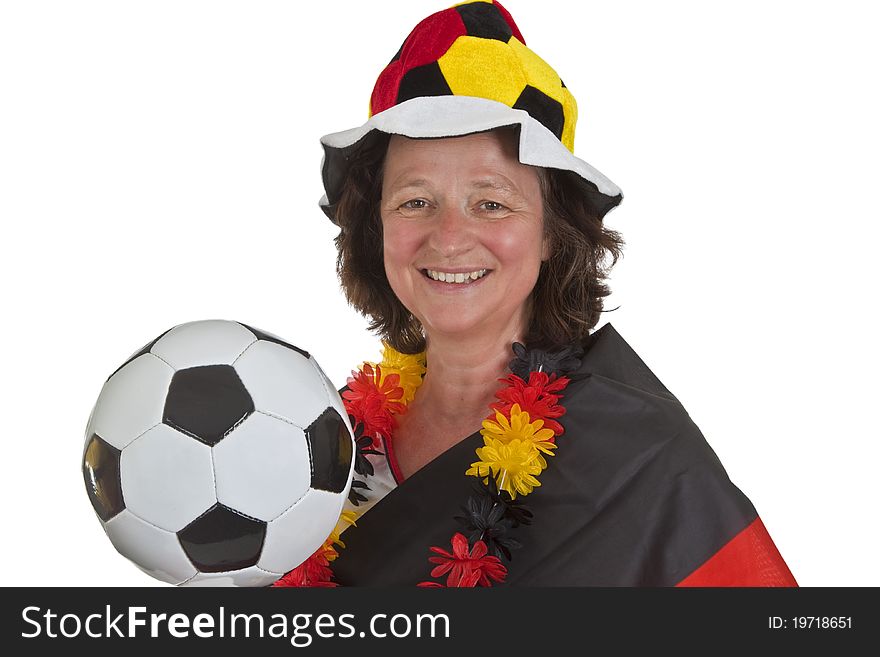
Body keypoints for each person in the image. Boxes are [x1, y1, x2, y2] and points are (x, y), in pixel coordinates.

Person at [274, 0, 797, 587]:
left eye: (491, 202)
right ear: (378, 230)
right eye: (414, 201)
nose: (448, 239)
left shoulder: (643, 458)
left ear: (552, 231)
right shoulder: (316, 439)